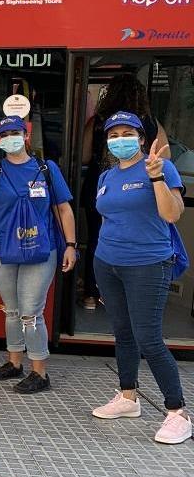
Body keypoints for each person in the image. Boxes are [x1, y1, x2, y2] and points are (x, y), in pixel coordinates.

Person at [89, 111, 190, 445]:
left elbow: (172, 214)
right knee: (123, 333)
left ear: (142, 138)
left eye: (127, 133)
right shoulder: (106, 177)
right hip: (108, 264)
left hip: (148, 264)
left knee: (149, 338)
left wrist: (157, 178)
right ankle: (127, 398)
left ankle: (178, 413)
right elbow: (108, 219)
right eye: (113, 135)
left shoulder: (161, 168)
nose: (120, 140)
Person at [0, 117, 78, 394]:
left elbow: (64, 209)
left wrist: (71, 245)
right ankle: (14, 364)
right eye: (5, 133)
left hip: (41, 249)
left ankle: (40, 372)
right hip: (0, 250)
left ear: (25, 136)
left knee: (30, 313)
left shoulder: (46, 168)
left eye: (16, 132)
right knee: (11, 310)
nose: (11, 137)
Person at [79, 74, 167, 311]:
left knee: (99, 239)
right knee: (135, 237)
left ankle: (90, 294)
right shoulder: (149, 121)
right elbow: (164, 156)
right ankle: (127, 296)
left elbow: (84, 156)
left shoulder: (97, 121)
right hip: (141, 189)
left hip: (100, 187)